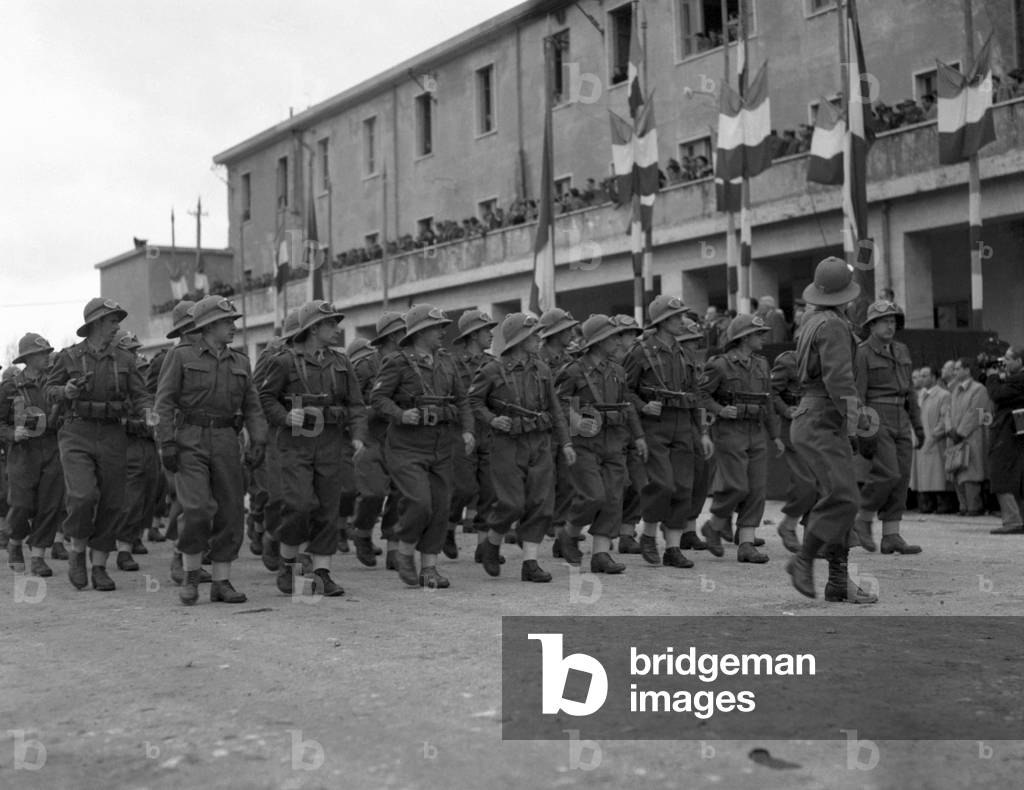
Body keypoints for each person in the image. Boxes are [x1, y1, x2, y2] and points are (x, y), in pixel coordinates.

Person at [155, 295, 267, 605]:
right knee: (197, 508)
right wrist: (166, 441)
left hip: (227, 441)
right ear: (208, 326)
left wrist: (259, 441)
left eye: (232, 321)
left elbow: (253, 406)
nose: (233, 327)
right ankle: (191, 574)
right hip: (189, 439)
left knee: (231, 511)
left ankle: (221, 582)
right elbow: (163, 403)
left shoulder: (241, 362)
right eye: (227, 322)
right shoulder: (179, 357)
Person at [259, 300, 366, 597]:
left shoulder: (341, 363)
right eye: (331, 324)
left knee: (328, 510)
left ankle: (322, 573)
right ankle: (289, 564)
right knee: (300, 505)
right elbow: (264, 398)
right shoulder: (283, 362)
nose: (337, 329)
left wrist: (358, 435)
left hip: (330, 443)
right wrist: (283, 416)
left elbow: (355, 404)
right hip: (294, 446)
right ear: (314, 328)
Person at [786, 257, 877, 603]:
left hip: (815, 419)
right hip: (823, 418)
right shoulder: (835, 326)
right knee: (844, 497)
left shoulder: (812, 321)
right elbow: (839, 381)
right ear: (846, 295)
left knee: (838, 499)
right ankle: (803, 560)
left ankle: (838, 581)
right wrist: (859, 419)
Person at [46, 298, 152, 592]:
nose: (117, 326)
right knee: (82, 496)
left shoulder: (125, 360)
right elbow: (49, 390)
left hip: (113, 434)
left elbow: (141, 396)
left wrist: (151, 415)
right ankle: (77, 552)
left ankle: (100, 566)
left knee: (112, 501)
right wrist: (65, 390)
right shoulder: (68, 357)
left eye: (117, 320)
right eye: (111, 321)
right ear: (94, 324)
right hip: (76, 430)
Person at [370, 304, 475, 588]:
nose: (443, 332)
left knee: (441, 507)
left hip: (441, 445)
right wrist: (401, 414)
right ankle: (405, 550)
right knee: (419, 502)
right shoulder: (397, 362)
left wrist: (467, 431)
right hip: (406, 446)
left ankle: (429, 568)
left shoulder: (447, 362)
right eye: (437, 328)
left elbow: (462, 400)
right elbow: (378, 399)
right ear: (420, 332)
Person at [469, 313, 574, 581]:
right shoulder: (492, 370)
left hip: (539, 442)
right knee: (512, 504)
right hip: (507, 444)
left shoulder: (542, 369)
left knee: (541, 504)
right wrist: (493, 419)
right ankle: (492, 542)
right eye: (533, 335)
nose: (538, 338)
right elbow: (473, 402)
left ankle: (530, 563)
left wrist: (565, 442)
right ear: (519, 339)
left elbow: (555, 408)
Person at [624, 297, 712, 569]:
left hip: (683, 424)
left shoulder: (684, 353)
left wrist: (703, 433)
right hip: (655, 425)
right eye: (676, 318)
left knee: (684, 487)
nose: (682, 321)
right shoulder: (640, 352)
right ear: (662, 321)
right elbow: (625, 391)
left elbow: (696, 394)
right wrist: (642, 406)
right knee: (662, 484)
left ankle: (673, 548)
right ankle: (648, 535)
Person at [556, 315, 648, 573]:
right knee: (593, 496)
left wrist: (638, 436)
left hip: (615, 441)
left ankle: (601, 554)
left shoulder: (618, 371)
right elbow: (559, 404)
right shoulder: (573, 371)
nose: (619, 341)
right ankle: (569, 532)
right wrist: (575, 418)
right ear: (597, 341)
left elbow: (627, 405)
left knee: (613, 498)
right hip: (585, 443)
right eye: (613, 336)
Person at [699, 314, 784, 563]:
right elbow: (701, 395)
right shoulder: (720, 365)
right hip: (730, 432)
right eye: (758, 334)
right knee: (737, 486)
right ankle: (714, 526)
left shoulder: (762, 364)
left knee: (757, 489)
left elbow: (767, 402)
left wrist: (775, 435)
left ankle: (746, 543)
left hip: (756, 431)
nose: (762, 338)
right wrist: (719, 410)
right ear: (744, 337)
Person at [852, 300, 924, 554]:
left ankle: (891, 535)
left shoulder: (902, 350)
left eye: (893, 321)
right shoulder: (862, 353)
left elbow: (910, 392)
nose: (890, 326)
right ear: (871, 325)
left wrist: (918, 424)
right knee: (888, 472)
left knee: (902, 476)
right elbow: (856, 394)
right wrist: (862, 428)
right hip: (875, 415)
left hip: (901, 418)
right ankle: (862, 518)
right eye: (884, 321)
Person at [1, 333, 64, 576]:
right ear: (28, 358)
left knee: (50, 504)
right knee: (21, 504)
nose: (47, 357)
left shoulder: (53, 384)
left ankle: (38, 555)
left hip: (51, 446)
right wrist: (10, 433)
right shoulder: (9, 387)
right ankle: (15, 542)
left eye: (48, 352)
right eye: (41, 353)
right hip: (22, 452)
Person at [351, 312, 405, 569]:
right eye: (404, 333)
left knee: (400, 492)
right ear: (393, 336)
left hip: (400, 437)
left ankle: (394, 547)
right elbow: (354, 405)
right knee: (373, 493)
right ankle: (361, 533)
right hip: (371, 436)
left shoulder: (408, 363)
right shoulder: (364, 367)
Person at [448, 310, 498, 560]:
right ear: (473, 334)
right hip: (461, 433)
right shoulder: (451, 363)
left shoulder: (492, 363)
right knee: (464, 489)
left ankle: (483, 547)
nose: (491, 334)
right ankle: (448, 526)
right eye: (486, 330)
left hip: (489, 432)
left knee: (489, 490)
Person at [110, 330, 161, 571]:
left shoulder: (141, 373)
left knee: (148, 495)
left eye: (134, 350)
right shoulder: (111, 377)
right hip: (125, 443)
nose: (134, 354)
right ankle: (122, 549)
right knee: (129, 499)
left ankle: (133, 537)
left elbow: (149, 401)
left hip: (147, 443)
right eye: (129, 350)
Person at [537, 308, 581, 558]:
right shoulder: (537, 359)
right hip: (542, 428)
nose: (572, 333)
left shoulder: (571, 359)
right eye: (566, 329)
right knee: (542, 482)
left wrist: (575, 426)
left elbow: (573, 394)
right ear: (554, 333)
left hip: (566, 428)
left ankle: (561, 535)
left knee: (568, 481)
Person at [770, 345, 817, 553]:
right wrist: (786, 409)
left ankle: (811, 536)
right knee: (805, 483)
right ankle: (788, 525)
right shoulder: (788, 361)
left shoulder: (830, 361)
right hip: (795, 426)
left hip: (820, 426)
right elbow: (770, 392)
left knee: (822, 483)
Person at [985, 346, 1024, 535]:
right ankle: (1017, 518)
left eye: (1008, 359)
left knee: (1001, 474)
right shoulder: (1014, 380)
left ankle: (1012, 520)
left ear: (1020, 361)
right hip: (1013, 432)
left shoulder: (1019, 380)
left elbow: (997, 394)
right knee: (1017, 476)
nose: (1005, 363)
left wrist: (992, 377)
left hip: (1008, 433)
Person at [947, 357, 990, 517]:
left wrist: (960, 432)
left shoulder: (978, 389)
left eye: (958, 369)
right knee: (957, 471)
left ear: (967, 370)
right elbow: (948, 411)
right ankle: (963, 506)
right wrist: (950, 428)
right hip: (955, 436)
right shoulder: (955, 390)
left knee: (970, 473)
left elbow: (975, 412)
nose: (955, 372)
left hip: (971, 436)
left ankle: (974, 506)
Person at [910, 365, 952, 514]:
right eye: (920, 375)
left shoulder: (943, 395)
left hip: (935, 441)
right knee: (923, 475)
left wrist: (935, 435)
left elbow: (944, 418)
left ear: (934, 377)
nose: (921, 378)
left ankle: (942, 503)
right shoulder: (918, 396)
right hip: (920, 440)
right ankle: (926, 503)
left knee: (937, 474)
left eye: (925, 375)